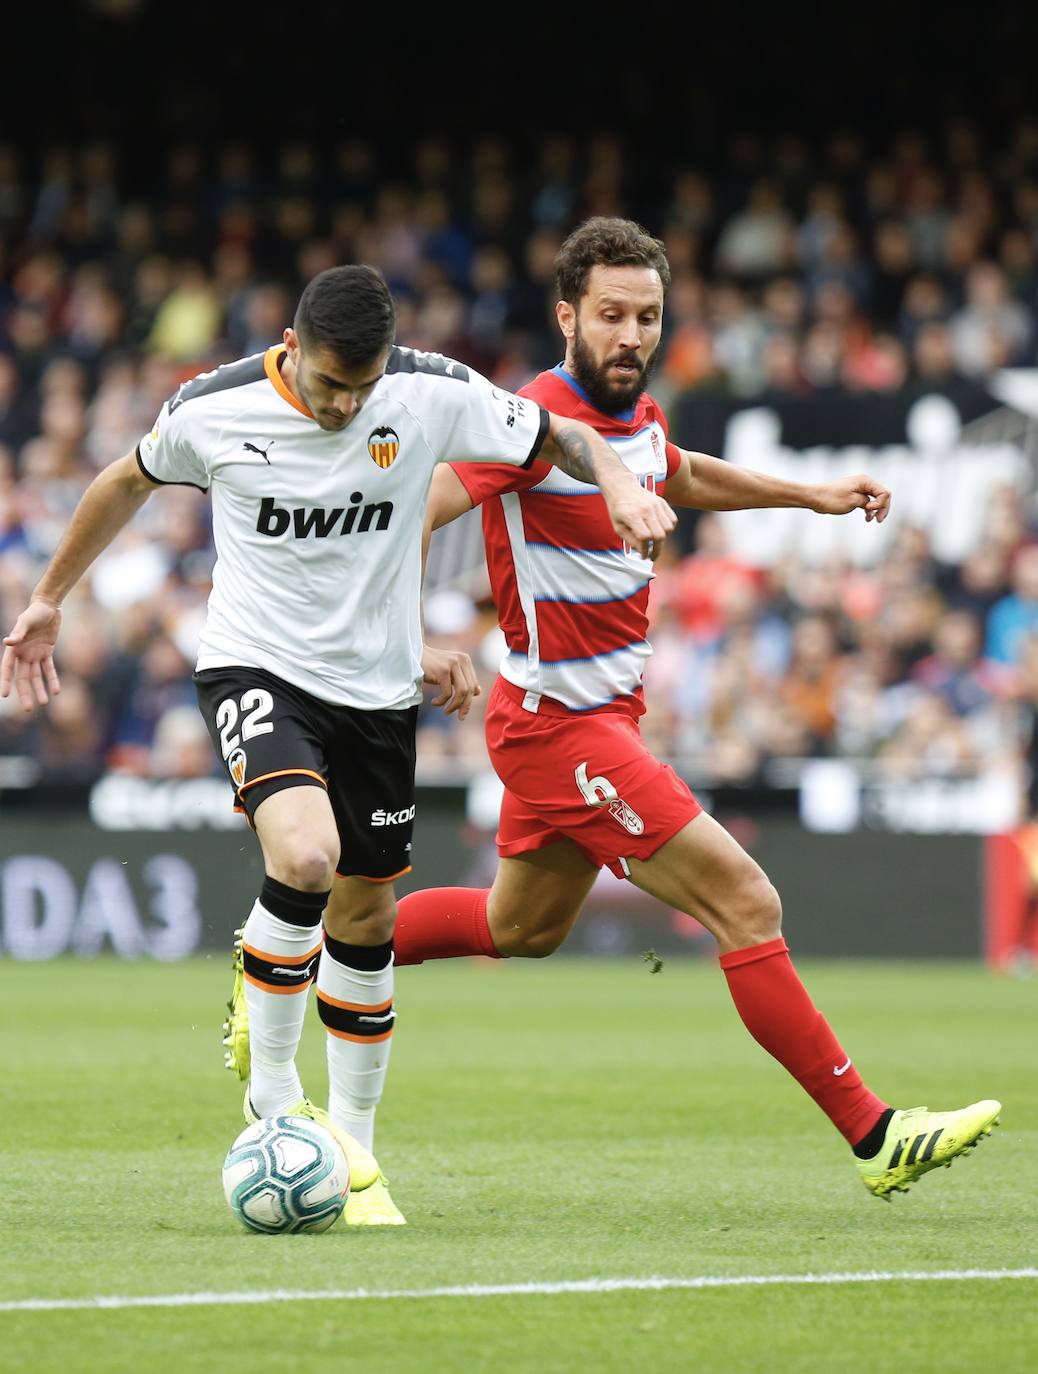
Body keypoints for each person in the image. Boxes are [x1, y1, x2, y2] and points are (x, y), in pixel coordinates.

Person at [0, 263, 675, 1227]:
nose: (345, 406)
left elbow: (554, 433)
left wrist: (611, 475)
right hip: (256, 668)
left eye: (360, 389)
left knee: (366, 920)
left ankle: (355, 1153)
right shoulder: (215, 408)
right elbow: (122, 480)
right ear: (290, 348)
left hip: (375, 691)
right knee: (307, 856)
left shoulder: (428, 391)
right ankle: (274, 1103)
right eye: (328, 386)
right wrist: (48, 599)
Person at [392, 218, 1001, 1200]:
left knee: (522, 927)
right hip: (559, 727)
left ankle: (307, 947)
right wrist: (412, 639)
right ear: (566, 317)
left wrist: (812, 497)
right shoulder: (533, 422)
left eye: (648, 316)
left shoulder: (637, 420)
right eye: (610, 316)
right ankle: (875, 1137)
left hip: (596, 722)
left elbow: (683, 472)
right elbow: (414, 507)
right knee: (746, 900)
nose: (631, 335)